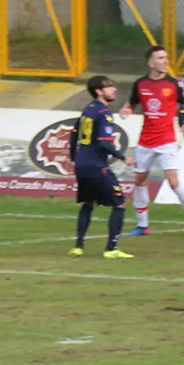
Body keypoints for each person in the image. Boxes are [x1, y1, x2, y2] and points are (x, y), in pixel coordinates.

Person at [119, 46, 184, 238]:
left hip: (166, 140)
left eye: (166, 58)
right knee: (139, 180)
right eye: (160, 58)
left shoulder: (175, 84)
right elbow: (131, 103)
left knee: (173, 182)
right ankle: (142, 225)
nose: (165, 61)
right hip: (145, 141)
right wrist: (126, 110)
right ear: (151, 63)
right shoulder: (140, 84)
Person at [68, 76, 134, 259]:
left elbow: (73, 134)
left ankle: (78, 246)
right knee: (119, 203)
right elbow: (104, 143)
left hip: (82, 166)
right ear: (99, 91)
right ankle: (111, 249)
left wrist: (74, 159)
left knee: (88, 203)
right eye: (109, 87)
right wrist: (123, 157)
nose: (113, 90)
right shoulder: (104, 113)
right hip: (97, 166)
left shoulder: (87, 110)